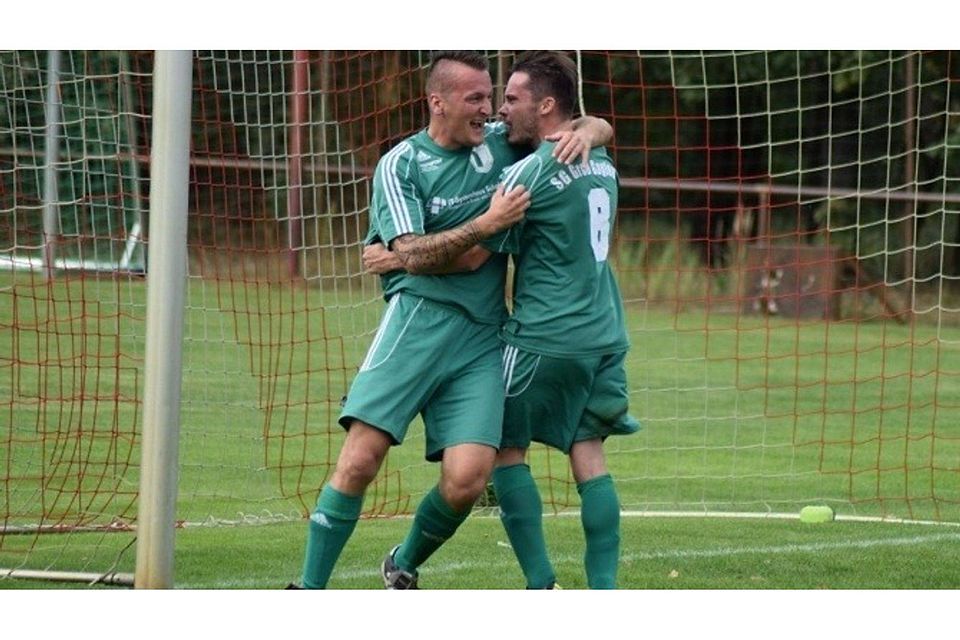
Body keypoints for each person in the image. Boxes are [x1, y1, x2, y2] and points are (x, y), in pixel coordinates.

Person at [295, 50, 612, 590]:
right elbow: (415, 252)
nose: (489, 111)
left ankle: (402, 564)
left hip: (482, 338)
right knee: (361, 459)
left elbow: (569, 123)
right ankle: (307, 589)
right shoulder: (401, 164)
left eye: (492, 98)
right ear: (437, 103)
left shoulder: (498, 143)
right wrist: (473, 228)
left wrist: (592, 127)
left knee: (467, 479)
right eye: (476, 99)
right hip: (416, 322)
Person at [491, 50, 639, 590]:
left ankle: (541, 585)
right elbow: (598, 132)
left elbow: (487, 244)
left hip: (544, 335)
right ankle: (603, 592)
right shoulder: (604, 164)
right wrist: (595, 128)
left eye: (512, 99)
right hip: (604, 333)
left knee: (504, 451)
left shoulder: (527, 173)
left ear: (547, 105)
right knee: (590, 455)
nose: (502, 109)